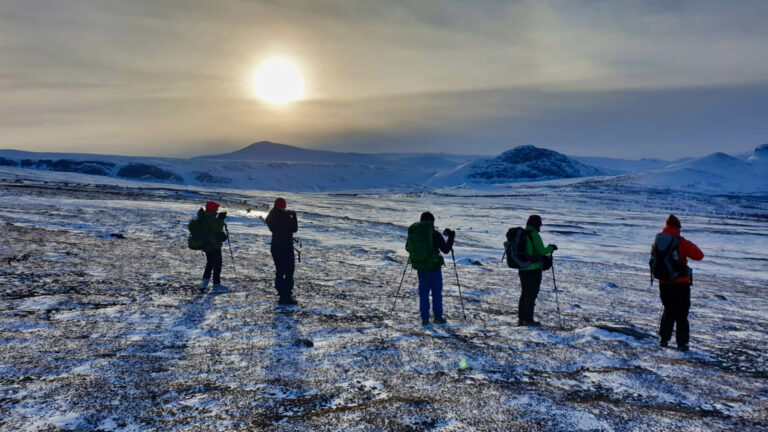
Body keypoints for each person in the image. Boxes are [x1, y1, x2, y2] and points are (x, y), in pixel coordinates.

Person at [651, 214, 703, 351]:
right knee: (681, 313)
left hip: (663, 282)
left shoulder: (658, 240)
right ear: (678, 227)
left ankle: (663, 339)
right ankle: (682, 343)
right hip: (680, 283)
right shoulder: (680, 241)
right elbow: (699, 255)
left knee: (668, 310)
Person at [406, 211, 455, 325]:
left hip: (421, 268)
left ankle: (424, 319)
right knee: (436, 293)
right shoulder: (434, 234)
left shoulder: (415, 234)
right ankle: (438, 317)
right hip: (434, 268)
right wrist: (451, 237)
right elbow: (446, 250)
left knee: (423, 293)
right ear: (432, 221)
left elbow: (408, 248)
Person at [517, 215, 557, 326]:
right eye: (539, 223)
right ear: (537, 224)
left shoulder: (523, 234)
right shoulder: (534, 235)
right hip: (533, 269)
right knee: (532, 295)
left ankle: (521, 319)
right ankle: (528, 319)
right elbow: (541, 251)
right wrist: (552, 248)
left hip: (522, 267)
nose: (540, 225)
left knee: (524, 293)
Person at [266, 197, 298, 305]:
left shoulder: (270, 215)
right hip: (286, 246)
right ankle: (287, 296)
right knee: (289, 271)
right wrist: (294, 216)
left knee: (279, 270)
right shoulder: (285, 216)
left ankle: (281, 294)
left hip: (275, 245)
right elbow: (294, 228)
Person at [196, 201, 228, 292]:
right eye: (216, 208)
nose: (217, 210)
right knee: (217, 264)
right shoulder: (209, 218)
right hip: (213, 245)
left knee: (210, 264)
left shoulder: (205, 217)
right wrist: (221, 219)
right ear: (212, 208)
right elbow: (217, 228)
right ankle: (216, 285)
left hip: (208, 245)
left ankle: (204, 285)